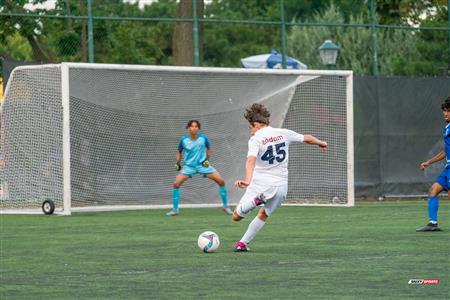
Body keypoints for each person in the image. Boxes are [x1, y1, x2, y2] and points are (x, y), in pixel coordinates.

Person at [232, 103, 328, 251]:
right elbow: (307, 138)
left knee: (236, 216)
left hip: (260, 183)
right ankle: (242, 244)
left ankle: (255, 201)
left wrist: (247, 180)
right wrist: (321, 143)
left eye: (250, 128)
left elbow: (250, 160)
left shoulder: (256, 139)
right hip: (281, 186)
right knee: (263, 214)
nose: (251, 131)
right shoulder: (283, 133)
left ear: (256, 124)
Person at [166, 120, 232, 216]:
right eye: (192, 126)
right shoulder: (183, 140)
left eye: (196, 126)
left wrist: (207, 159)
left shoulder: (203, 138)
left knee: (221, 181)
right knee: (176, 184)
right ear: (188, 128)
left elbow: (209, 149)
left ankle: (226, 207)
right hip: (189, 166)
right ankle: (175, 210)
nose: (194, 128)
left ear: (198, 128)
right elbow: (179, 152)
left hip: (202, 166)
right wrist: (178, 162)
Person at [416, 96, 450, 232]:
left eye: (448, 111)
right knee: (432, 191)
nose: (445, 114)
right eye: (444, 111)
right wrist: (428, 162)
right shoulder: (447, 128)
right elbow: (445, 151)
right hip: (447, 168)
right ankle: (432, 223)